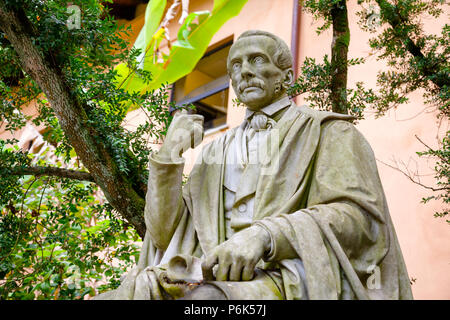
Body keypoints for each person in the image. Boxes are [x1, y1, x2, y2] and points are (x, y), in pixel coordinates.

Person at [95, 30, 413, 300]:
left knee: (204, 301)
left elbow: (361, 221)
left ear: (287, 76)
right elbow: (164, 236)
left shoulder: (328, 131)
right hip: (204, 274)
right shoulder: (212, 154)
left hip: (287, 276)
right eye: (235, 65)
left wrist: (265, 236)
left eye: (256, 59)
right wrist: (168, 157)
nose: (244, 71)